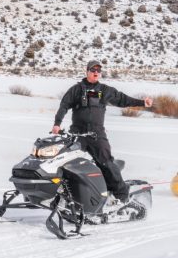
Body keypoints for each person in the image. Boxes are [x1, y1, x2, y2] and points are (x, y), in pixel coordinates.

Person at [52, 60, 153, 202]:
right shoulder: (76, 89)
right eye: (93, 70)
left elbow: (122, 100)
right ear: (87, 71)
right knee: (65, 162)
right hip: (77, 135)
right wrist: (57, 124)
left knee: (107, 163)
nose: (96, 73)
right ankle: (68, 195)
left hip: (96, 135)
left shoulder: (104, 90)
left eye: (98, 71)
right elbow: (64, 106)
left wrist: (142, 103)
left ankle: (122, 196)